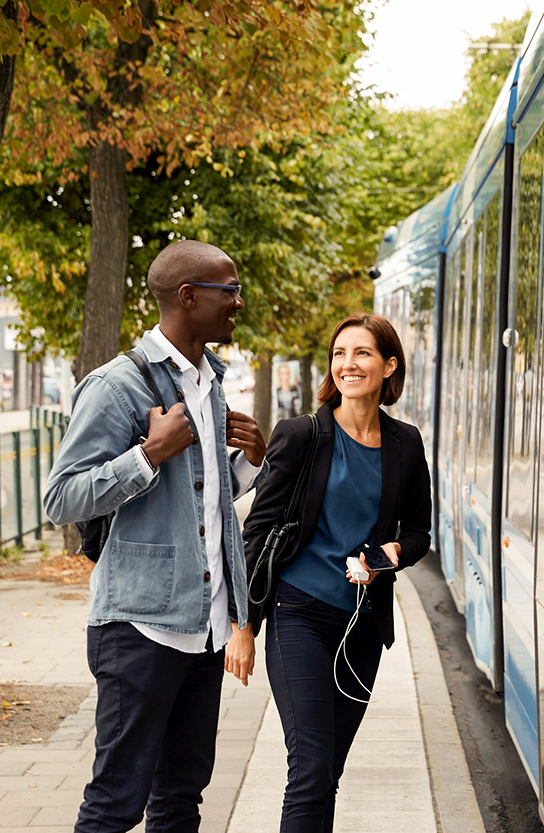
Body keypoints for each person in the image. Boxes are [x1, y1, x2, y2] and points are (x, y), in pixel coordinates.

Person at [43, 240, 268, 833]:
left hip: (205, 628)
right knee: (116, 801)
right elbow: (60, 497)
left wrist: (249, 461)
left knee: (181, 798)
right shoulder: (117, 385)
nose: (238, 302)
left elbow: (203, 501)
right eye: (229, 290)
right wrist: (149, 453)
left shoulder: (208, 382)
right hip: (139, 628)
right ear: (188, 297)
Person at [225, 312, 431, 833]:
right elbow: (257, 534)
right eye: (340, 354)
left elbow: (420, 533)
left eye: (362, 353)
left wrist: (384, 559)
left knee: (328, 774)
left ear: (388, 366)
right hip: (298, 616)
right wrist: (242, 626)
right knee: (310, 768)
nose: (348, 364)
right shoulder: (299, 436)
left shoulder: (406, 444)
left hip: (361, 627)